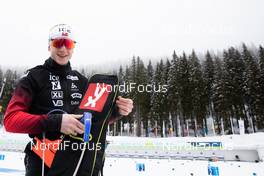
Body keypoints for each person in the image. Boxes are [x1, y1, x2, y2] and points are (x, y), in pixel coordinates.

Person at [4, 24, 133, 176]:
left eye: (68, 43)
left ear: (73, 47)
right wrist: (56, 122)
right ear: (49, 45)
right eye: (58, 43)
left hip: (77, 160)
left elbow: (92, 120)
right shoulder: (32, 77)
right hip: (43, 160)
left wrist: (118, 111)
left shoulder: (82, 81)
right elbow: (11, 120)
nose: (63, 49)